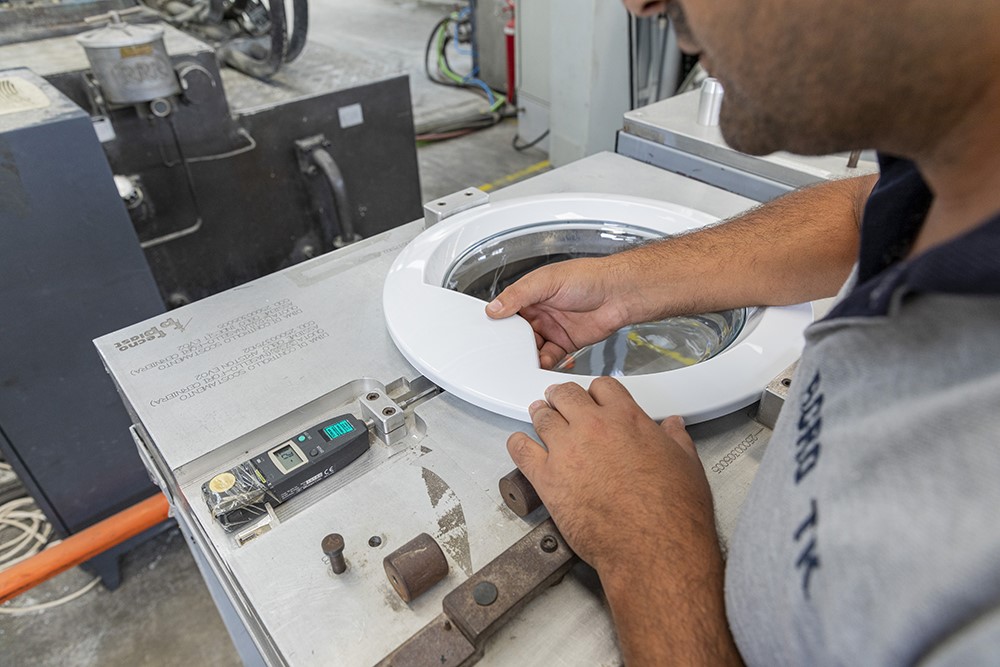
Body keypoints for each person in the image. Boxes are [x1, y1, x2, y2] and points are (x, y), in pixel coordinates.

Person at [485, 0, 1000, 664]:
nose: (639, 5)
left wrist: (648, 543)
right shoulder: (955, 174)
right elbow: (862, 211)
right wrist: (620, 287)